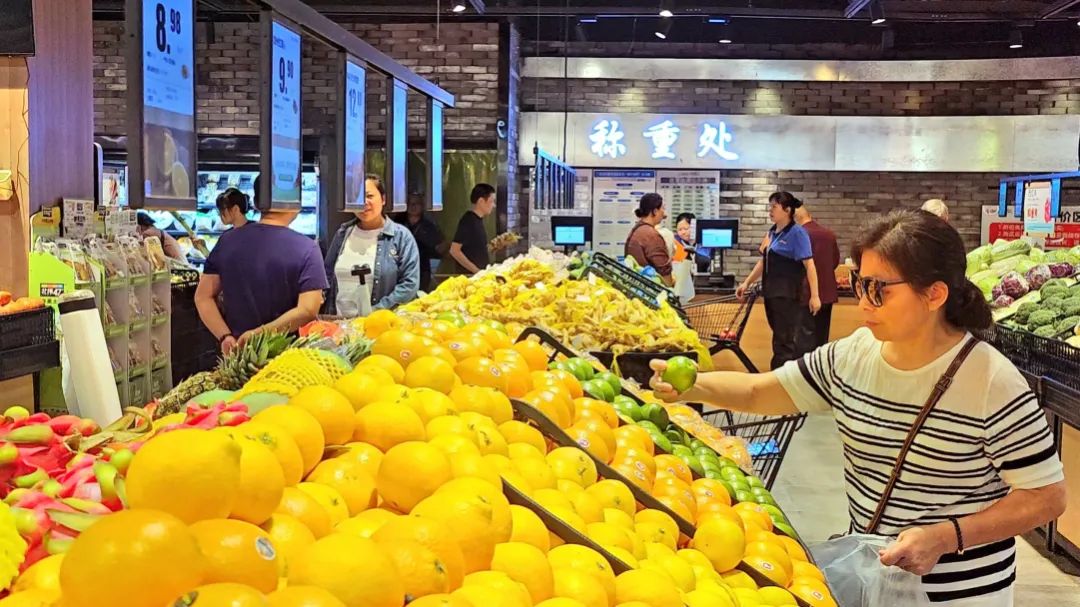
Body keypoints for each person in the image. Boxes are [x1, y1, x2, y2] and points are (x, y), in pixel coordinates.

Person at [651, 209, 1065, 607]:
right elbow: (761, 392)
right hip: (874, 579)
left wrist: (945, 536)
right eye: (858, 283)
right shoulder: (854, 355)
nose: (863, 302)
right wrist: (689, 385)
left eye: (878, 289)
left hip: (962, 594)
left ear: (935, 294)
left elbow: (1046, 496)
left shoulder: (991, 381)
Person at [195, 176, 328, 354]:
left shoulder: (227, 241)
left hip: (238, 356)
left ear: (257, 204)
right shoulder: (307, 248)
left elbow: (202, 297)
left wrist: (225, 336)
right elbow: (308, 309)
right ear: (296, 203)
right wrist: (260, 333)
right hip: (289, 358)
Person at [736, 192, 821, 369]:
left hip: (787, 294)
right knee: (779, 337)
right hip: (771, 293)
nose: (770, 210)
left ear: (787, 210)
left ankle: (781, 376)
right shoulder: (772, 232)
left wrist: (815, 296)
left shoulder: (798, 233)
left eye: (774, 207)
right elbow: (763, 261)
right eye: (770, 206)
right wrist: (747, 283)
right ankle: (779, 374)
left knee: (785, 341)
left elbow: (810, 265)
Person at [324, 175, 420, 315]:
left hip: (380, 323)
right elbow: (326, 276)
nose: (363, 202)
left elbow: (409, 285)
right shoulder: (343, 233)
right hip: (339, 323)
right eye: (356, 197)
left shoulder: (401, 237)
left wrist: (373, 313)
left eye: (369, 196)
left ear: (383, 199)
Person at [794, 205, 840, 347]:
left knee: (803, 340)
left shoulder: (798, 235)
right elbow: (835, 262)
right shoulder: (829, 235)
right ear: (810, 215)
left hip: (805, 294)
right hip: (827, 294)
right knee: (821, 338)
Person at [395, 193, 445, 293]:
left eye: (416, 203)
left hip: (422, 269)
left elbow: (440, 247)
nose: (413, 206)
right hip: (399, 268)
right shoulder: (397, 223)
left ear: (422, 206)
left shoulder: (429, 226)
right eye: (410, 203)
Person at [624, 193, 674, 287]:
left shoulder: (638, 229)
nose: (664, 213)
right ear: (655, 211)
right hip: (650, 288)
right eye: (662, 208)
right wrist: (670, 289)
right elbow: (663, 269)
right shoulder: (651, 235)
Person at [450, 183, 496, 275]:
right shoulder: (468, 220)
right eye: (492, 201)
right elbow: (454, 251)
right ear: (481, 201)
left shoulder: (478, 220)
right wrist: (477, 271)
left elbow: (474, 249)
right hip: (470, 277)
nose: (494, 205)